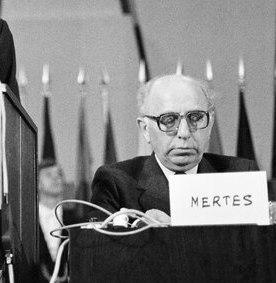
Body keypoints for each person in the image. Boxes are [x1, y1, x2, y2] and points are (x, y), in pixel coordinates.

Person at [90, 74, 259, 219]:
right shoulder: (115, 183)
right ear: (145, 129)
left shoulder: (241, 175)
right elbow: (98, 254)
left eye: (195, 117)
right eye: (169, 120)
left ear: (210, 123)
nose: (184, 133)